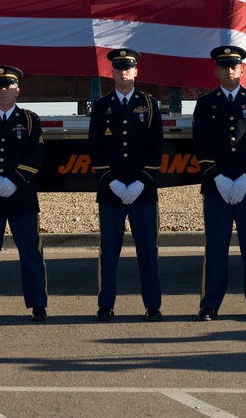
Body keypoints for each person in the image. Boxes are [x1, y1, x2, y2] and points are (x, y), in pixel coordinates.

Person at [192, 46, 246, 322]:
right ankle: (210, 304)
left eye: (233, 66)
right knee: (215, 249)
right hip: (217, 188)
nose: (229, 70)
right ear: (216, 71)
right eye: (223, 66)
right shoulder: (205, 104)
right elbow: (201, 145)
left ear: (242, 70)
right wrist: (219, 178)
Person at [88, 48, 164, 321]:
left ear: (136, 71)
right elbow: (95, 149)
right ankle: (105, 304)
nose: (123, 72)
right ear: (112, 72)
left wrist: (141, 183)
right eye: (118, 67)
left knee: (147, 250)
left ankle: (153, 305)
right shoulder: (101, 106)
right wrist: (112, 182)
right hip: (111, 191)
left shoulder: (149, 104)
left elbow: (157, 149)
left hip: (142, 192)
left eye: (128, 67)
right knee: (109, 250)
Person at [0, 66, 48, 322]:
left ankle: (38, 304)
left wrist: (13, 180)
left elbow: (35, 155)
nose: (4, 90)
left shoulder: (30, 120)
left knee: (31, 251)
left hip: (21, 194)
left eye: (8, 86)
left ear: (17, 90)